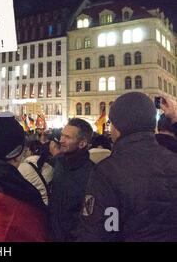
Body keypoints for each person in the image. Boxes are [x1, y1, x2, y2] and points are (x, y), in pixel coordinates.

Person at [77, 92, 177, 241]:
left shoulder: (106, 172)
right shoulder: (173, 160)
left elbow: (100, 231)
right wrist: (174, 118)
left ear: (117, 127)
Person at [48, 118, 94, 242]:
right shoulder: (58, 163)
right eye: (62, 135)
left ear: (82, 143)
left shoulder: (92, 175)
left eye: (67, 137)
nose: (61, 140)